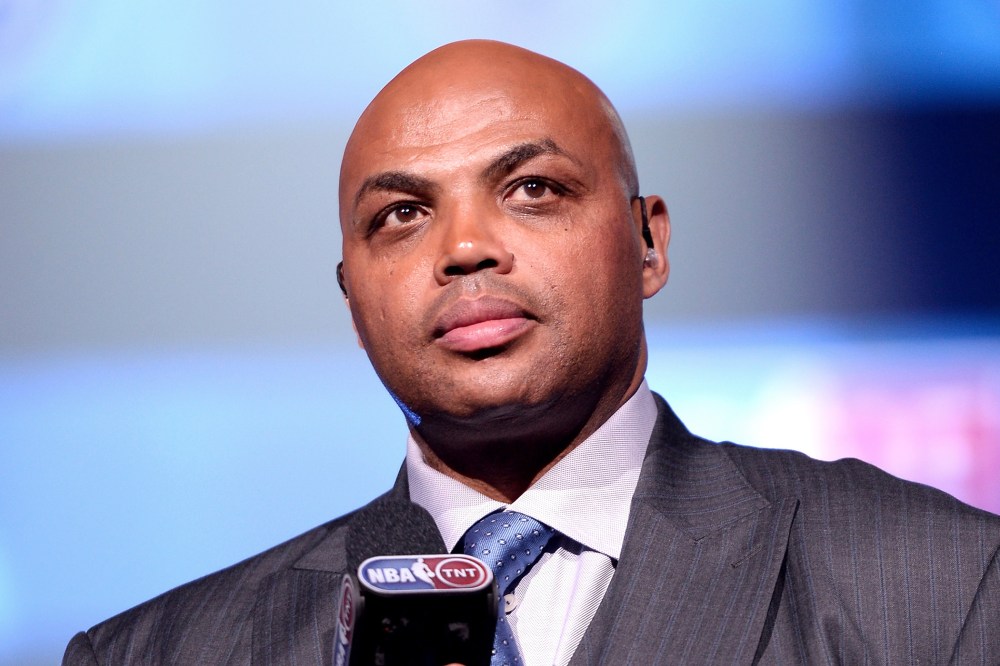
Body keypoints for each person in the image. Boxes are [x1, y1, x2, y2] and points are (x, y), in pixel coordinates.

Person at [63, 40, 999, 665]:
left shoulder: (932, 582)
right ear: (352, 304)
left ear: (649, 244)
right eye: (401, 215)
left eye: (533, 189)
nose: (465, 248)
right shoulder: (160, 651)